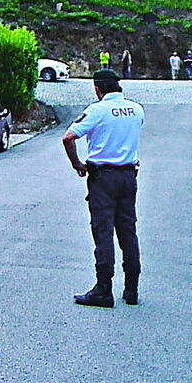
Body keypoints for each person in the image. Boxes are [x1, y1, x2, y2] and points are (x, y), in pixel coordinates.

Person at [62, 69, 145, 308]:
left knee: (103, 230)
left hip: (103, 178)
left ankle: (103, 289)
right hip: (128, 175)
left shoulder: (97, 110)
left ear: (98, 89)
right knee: (128, 231)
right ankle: (131, 289)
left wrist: (77, 164)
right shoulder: (137, 109)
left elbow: (69, 137)